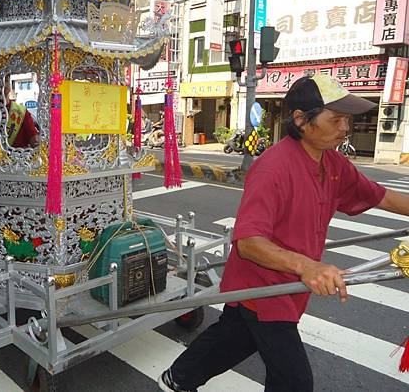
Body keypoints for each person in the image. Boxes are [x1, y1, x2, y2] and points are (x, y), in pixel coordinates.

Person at [158, 74, 409, 392]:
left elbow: (379, 195)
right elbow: (248, 242)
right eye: (336, 119)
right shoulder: (273, 168)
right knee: (294, 381)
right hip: (264, 287)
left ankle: (177, 378)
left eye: (347, 119)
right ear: (302, 120)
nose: (345, 128)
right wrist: (308, 266)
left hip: (287, 287)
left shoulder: (333, 163)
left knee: (235, 340)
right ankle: (178, 378)